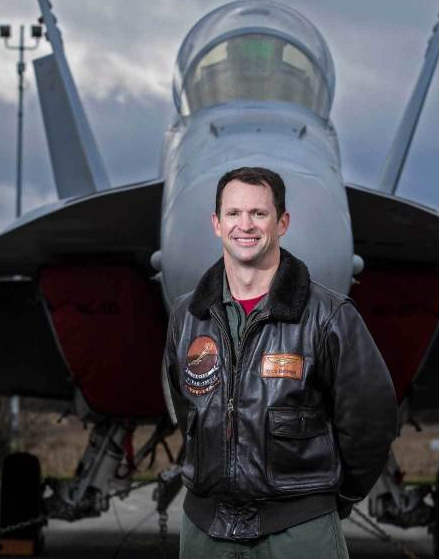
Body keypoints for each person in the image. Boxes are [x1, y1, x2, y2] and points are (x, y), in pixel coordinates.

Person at [162, 166, 397, 557]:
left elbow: (371, 421)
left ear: (282, 222)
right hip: (205, 528)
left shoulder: (327, 316)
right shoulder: (187, 317)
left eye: (259, 213)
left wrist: (329, 501)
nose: (245, 225)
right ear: (217, 224)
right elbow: (187, 407)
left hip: (298, 529)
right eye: (234, 214)